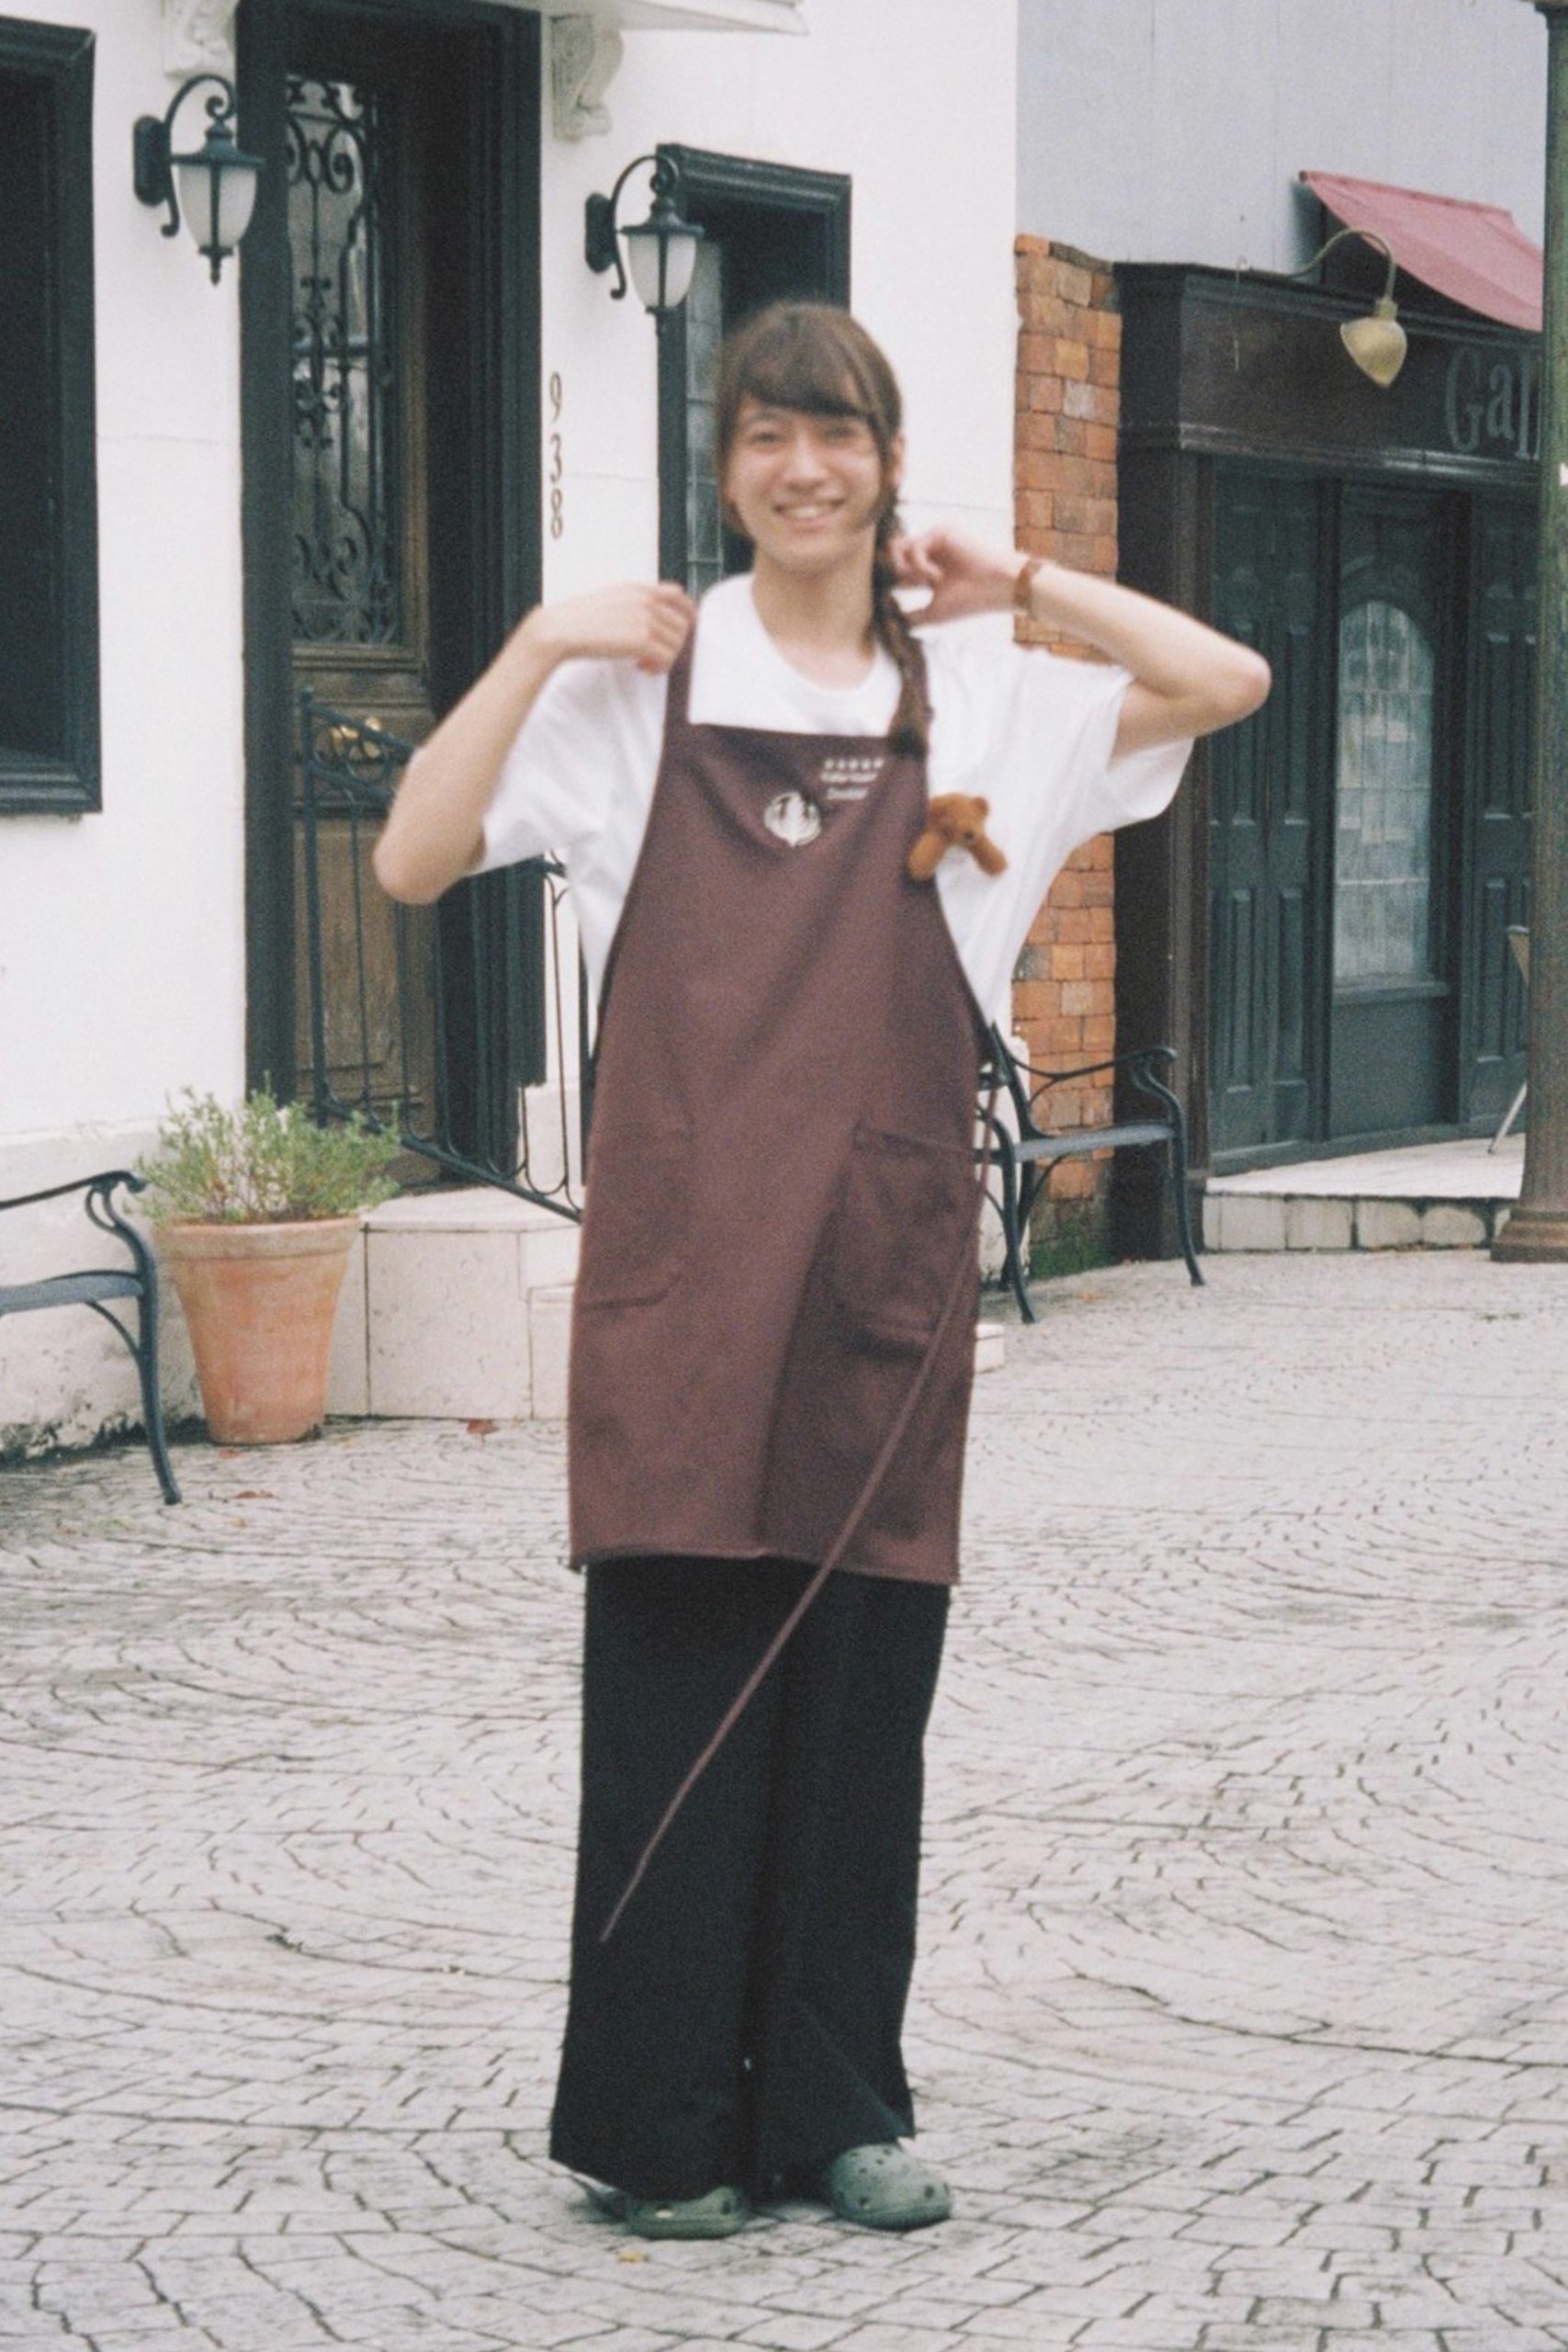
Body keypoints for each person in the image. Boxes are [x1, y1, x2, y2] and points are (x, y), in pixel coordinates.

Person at [374, 302, 1269, 2241]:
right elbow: (411, 861)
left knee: (861, 1709)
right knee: (678, 1704)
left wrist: (1023, 580)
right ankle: (661, 2130)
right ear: (726, 470)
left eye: (838, 434)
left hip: (877, 1271)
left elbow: (1227, 677)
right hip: (688, 1281)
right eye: (768, 435)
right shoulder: (637, 696)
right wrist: (534, 644)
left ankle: (839, 2112)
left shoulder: (983, 710)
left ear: (884, 464)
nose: (804, 468)